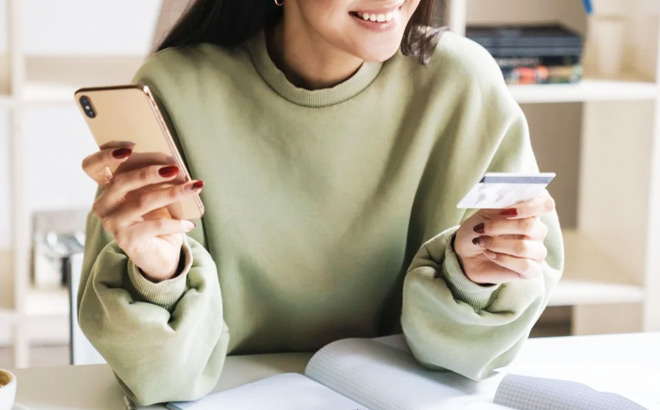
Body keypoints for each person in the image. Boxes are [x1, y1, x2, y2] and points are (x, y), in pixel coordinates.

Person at [79, 0, 563, 406]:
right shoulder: (176, 88)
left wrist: (476, 274)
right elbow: (161, 379)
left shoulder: (463, 84)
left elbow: (472, 361)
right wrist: (159, 274)